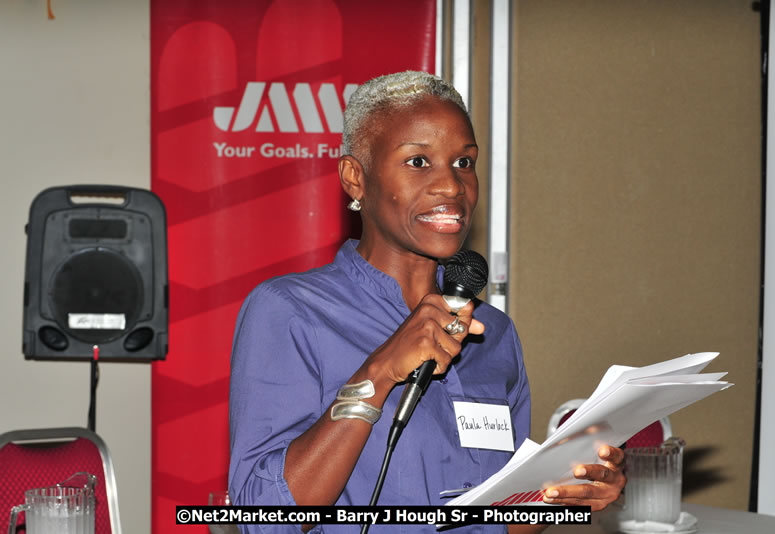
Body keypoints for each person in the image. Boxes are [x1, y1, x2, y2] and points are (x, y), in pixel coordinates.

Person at [229, 71, 625, 533]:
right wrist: (379, 372)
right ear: (355, 178)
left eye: (464, 162)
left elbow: (491, 521)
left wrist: (560, 494)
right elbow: (261, 518)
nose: (452, 186)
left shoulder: (493, 332)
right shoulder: (290, 311)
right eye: (418, 161)